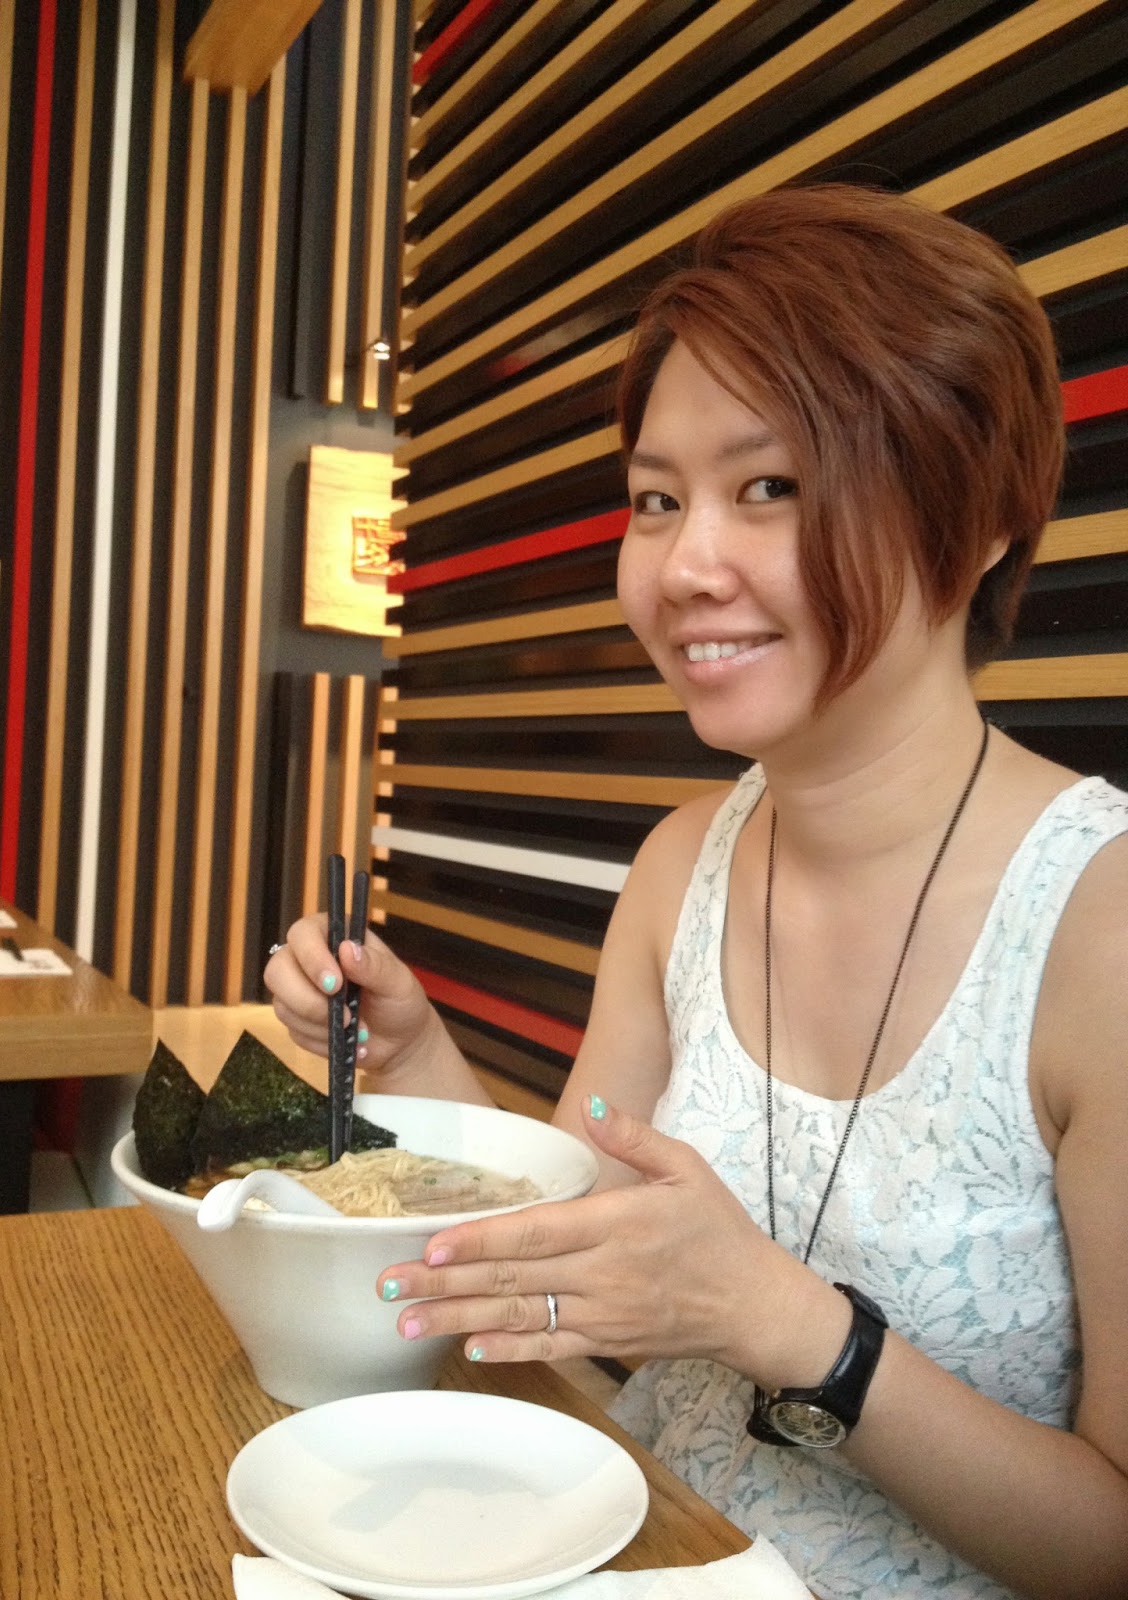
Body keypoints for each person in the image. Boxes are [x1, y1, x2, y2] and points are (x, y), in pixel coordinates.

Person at [265, 184, 1128, 1599]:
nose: (685, 566)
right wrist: (416, 1058)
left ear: (977, 520)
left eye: (769, 487)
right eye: (657, 500)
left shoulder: (1103, 925)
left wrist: (800, 1331)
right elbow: (558, 1273)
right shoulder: (683, 866)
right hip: (633, 1556)